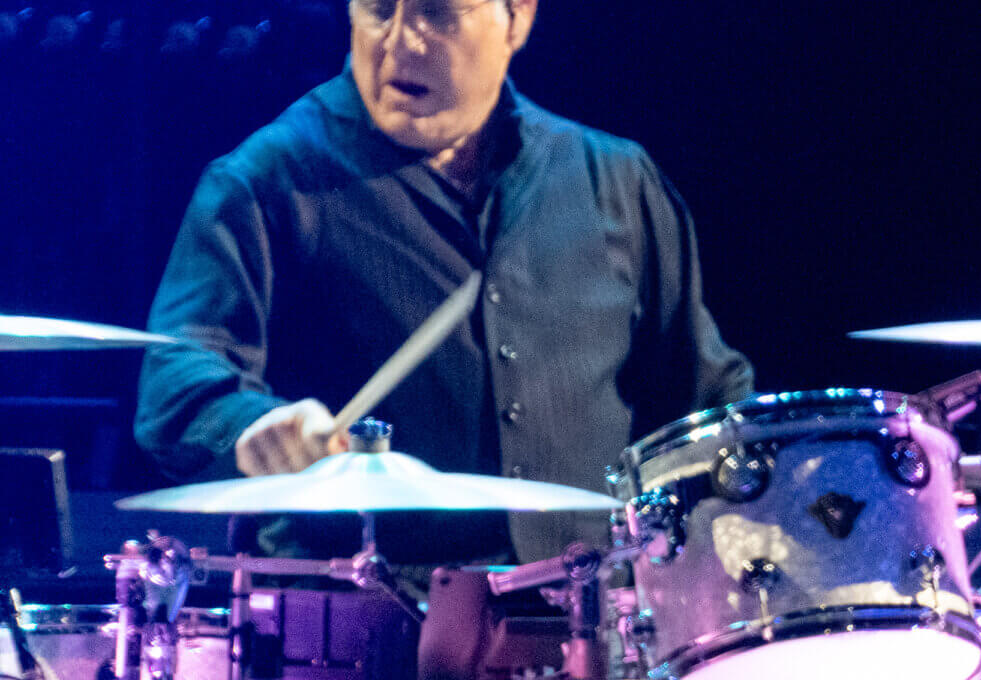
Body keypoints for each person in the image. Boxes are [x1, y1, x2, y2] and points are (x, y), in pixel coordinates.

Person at [135, 0, 753, 564]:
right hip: (365, 634)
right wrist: (251, 427)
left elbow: (703, 394)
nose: (401, 42)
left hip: (592, 626)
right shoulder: (265, 182)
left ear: (517, 19)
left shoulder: (615, 180)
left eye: (436, 13)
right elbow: (176, 380)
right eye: (379, 11)